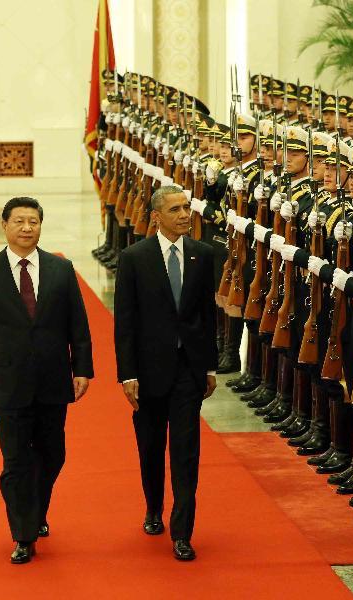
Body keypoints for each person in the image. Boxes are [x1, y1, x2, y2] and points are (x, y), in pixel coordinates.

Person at [0, 196, 93, 564]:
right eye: (19, 221)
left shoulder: (60, 269)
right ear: (4, 225)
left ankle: (36, 510)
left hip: (54, 379)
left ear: (41, 226)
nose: (26, 228)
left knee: (53, 455)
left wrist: (81, 368)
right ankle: (23, 533)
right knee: (17, 460)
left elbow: (78, 324)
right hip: (10, 381)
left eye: (33, 221)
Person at [114, 185, 218, 562]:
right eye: (176, 209)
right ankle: (153, 508)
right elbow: (124, 321)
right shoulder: (134, 258)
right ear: (157, 216)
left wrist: (209, 365)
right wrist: (127, 375)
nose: (185, 214)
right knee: (151, 448)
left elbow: (207, 316)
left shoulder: (202, 255)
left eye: (187, 207)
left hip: (188, 371)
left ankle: (182, 532)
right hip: (147, 371)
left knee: (186, 452)